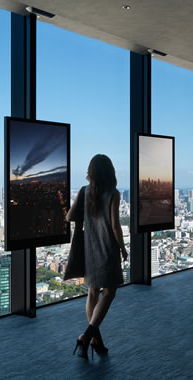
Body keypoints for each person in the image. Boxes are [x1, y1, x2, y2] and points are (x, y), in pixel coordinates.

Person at [66, 154, 128, 360]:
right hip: (107, 248)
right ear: (110, 171)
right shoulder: (113, 193)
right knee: (109, 293)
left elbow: (69, 217)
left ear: (91, 172)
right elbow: (115, 226)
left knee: (92, 293)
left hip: (89, 249)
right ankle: (87, 336)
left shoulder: (84, 192)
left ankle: (95, 341)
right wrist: (123, 248)